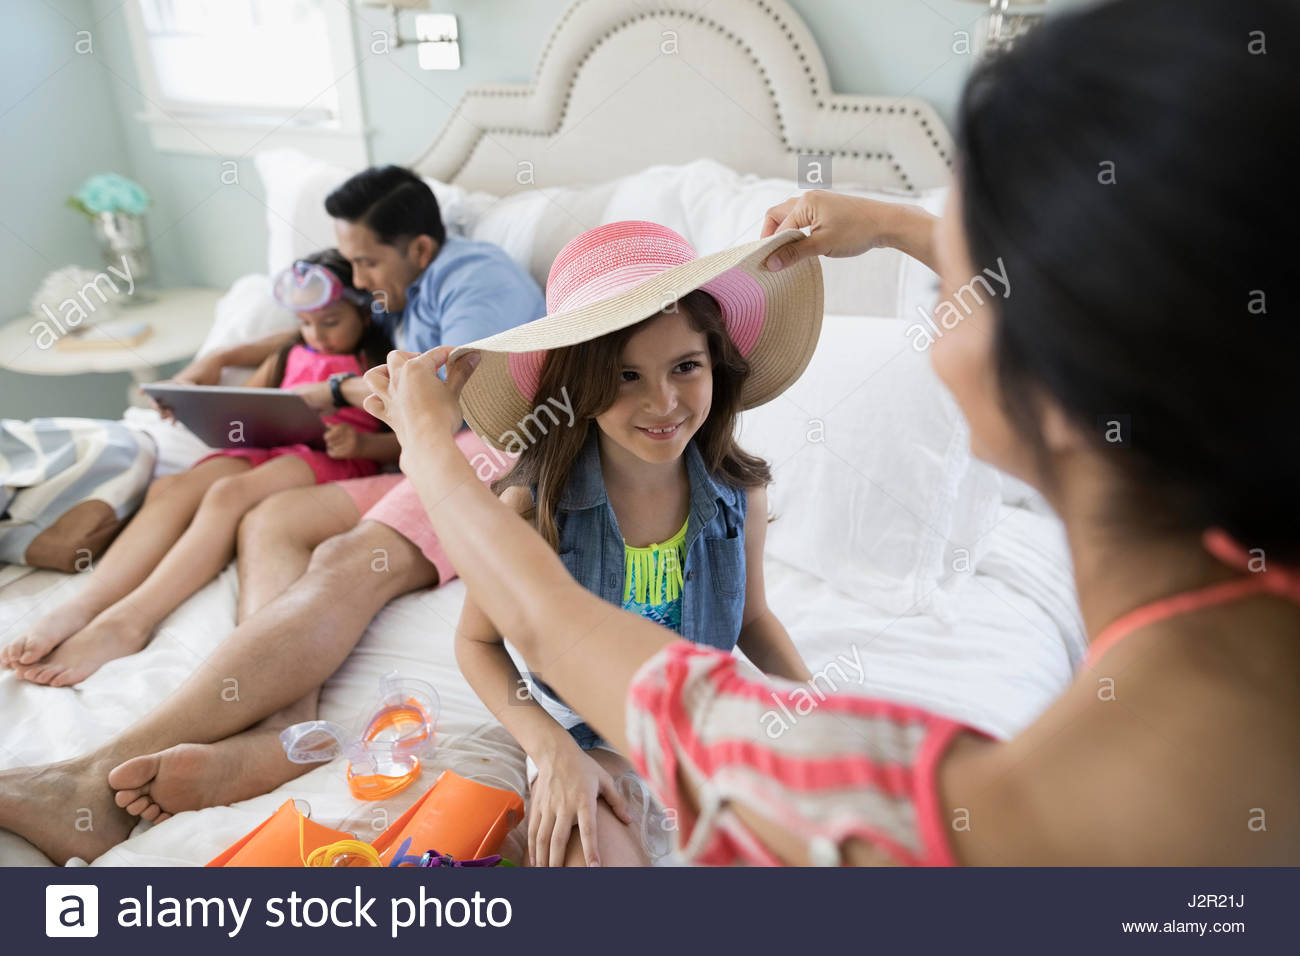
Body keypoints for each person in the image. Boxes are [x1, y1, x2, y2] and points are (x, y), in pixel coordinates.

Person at [357, 0, 1299, 864]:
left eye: (962, 291)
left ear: (1052, 370)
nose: (943, 325)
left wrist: (432, 449)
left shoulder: (981, 815)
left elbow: (566, 638)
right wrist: (899, 228)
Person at [0, 167, 544, 862]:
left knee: (345, 561)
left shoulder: (477, 280)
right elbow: (317, 344)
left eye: (365, 261)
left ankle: (85, 788)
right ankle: (287, 726)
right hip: (417, 454)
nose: (354, 275)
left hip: (487, 450)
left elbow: (465, 399)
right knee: (272, 522)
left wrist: (342, 399)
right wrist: (232, 359)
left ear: (421, 250)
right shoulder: (407, 290)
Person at [454, 222, 813, 866]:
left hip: (708, 727)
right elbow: (476, 641)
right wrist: (548, 749)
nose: (664, 401)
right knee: (587, 853)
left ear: (715, 366)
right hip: (592, 743)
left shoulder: (740, 495)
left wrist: (816, 711)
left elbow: (752, 619)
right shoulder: (532, 508)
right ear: (579, 389)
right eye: (625, 376)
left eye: (685, 367)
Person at [2, 250, 399, 686]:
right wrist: (197, 403)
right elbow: (249, 406)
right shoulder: (290, 351)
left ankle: (129, 621)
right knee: (172, 488)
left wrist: (362, 442)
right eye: (306, 323)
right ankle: (82, 605)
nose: (317, 335)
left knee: (228, 495)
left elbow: (403, 436)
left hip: (332, 457)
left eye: (330, 322)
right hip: (272, 447)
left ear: (365, 314)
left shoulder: (376, 364)